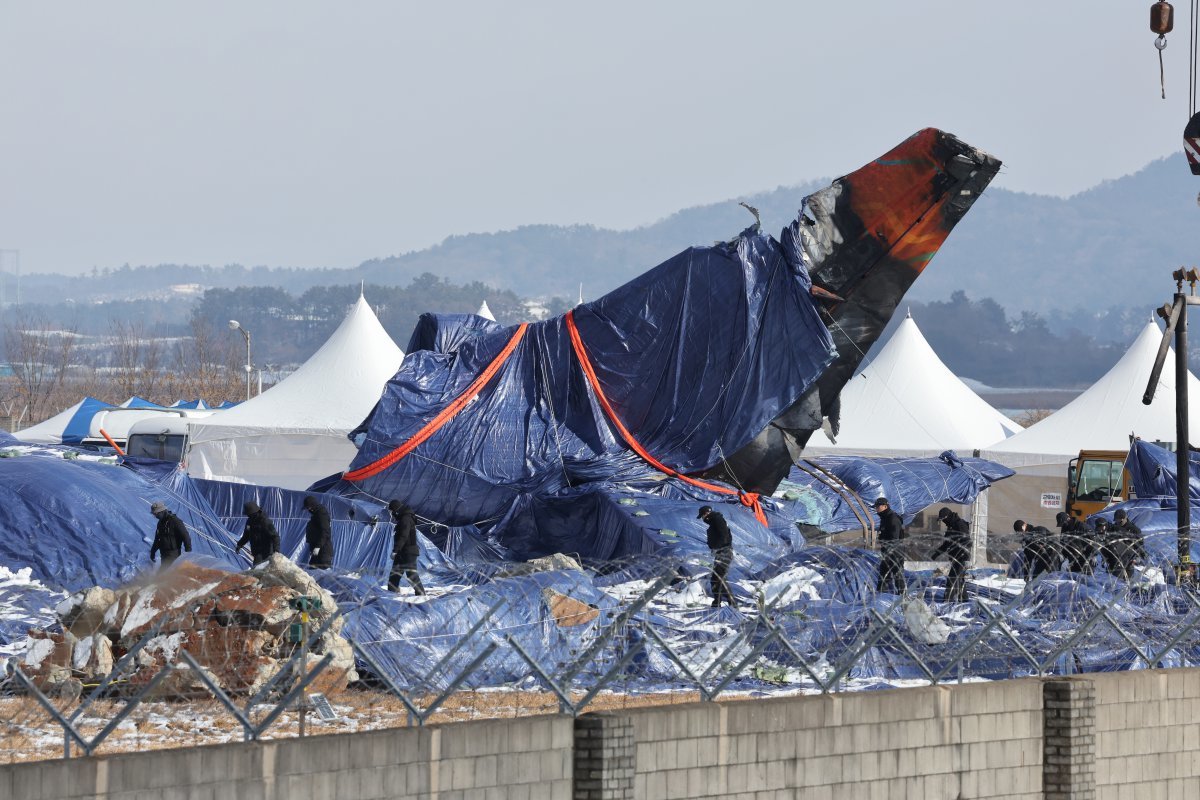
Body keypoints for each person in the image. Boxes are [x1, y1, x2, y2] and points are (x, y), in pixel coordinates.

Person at [930, 507, 970, 603]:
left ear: (947, 517)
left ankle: (947, 601)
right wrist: (936, 553)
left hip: (961, 558)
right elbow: (946, 544)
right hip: (954, 558)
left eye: (943, 519)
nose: (943, 522)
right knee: (959, 581)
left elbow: (968, 542)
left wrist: (959, 552)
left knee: (952, 580)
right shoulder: (951, 526)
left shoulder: (960, 525)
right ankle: (964, 601)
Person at [698, 505, 734, 607]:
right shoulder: (714, 521)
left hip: (724, 552)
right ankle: (717, 602)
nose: (702, 519)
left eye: (702, 516)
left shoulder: (717, 519)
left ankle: (731, 602)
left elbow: (724, 536)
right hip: (721, 552)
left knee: (719, 578)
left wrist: (717, 547)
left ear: (706, 514)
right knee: (716, 578)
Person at [388, 500, 425, 595]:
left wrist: (395, 550)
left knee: (411, 574)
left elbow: (404, 536)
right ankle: (390, 595)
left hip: (409, 552)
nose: (392, 514)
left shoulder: (406, 519)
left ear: (396, 510)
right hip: (402, 552)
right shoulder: (403, 518)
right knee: (394, 575)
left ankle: (421, 594)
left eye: (392, 511)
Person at [874, 497, 907, 594]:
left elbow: (894, 538)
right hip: (887, 551)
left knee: (897, 574)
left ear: (885, 506)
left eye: (878, 506)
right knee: (884, 574)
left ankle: (902, 596)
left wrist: (889, 551)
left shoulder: (892, 518)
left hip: (895, 552)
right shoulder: (884, 518)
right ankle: (880, 596)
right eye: (875, 507)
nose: (876, 508)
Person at [149, 501, 192, 569]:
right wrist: (153, 552)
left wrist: (188, 553)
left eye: (156, 514)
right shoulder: (160, 523)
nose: (155, 516)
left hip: (173, 555)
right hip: (164, 555)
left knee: (164, 576)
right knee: (163, 576)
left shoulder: (175, 521)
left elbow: (186, 536)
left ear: (162, 511)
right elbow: (157, 539)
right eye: (154, 514)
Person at [236, 501, 280, 566]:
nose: (248, 516)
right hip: (256, 551)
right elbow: (246, 535)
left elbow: (275, 536)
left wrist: (276, 551)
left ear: (254, 513)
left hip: (266, 552)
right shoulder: (250, 521)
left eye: (249, 514)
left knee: (258, 569)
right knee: (259, 571)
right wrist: (240, 544)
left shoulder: (265, 521)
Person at [1108, 509, 1146, 581]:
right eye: (1116, 521)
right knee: (1115, 581)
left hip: (1129, 559)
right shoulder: (1113, 528)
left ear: (1125, 518)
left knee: (1127, 581)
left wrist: (1137, 557)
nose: (1118, 523)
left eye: (1120, 521)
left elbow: (1139, 544)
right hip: (1115, 558)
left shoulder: (1134, 530)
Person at [302, 496, 334, 569]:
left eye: (308, 507)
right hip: (316, 551)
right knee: (311, 571)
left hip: (323, 551)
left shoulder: (321, 513)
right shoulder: (315, 514)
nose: (308, 509)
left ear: (312, 505)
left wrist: (318, 547)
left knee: (323, 573)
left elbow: (325, 532)